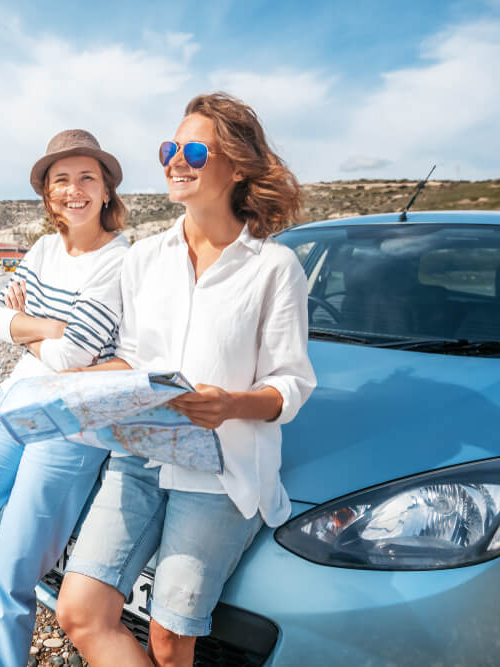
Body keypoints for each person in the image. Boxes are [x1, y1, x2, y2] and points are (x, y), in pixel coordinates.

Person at [55, 93, 317, 667]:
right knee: (79, 611)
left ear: (239, 165)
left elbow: (291, 386)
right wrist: (77, 387)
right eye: (170, 148)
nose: (176, 160)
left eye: (194, 150)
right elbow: (130, 356)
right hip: (139, 456)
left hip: (221, 473)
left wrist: (229, 405)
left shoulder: (274, 268)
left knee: (172, 644)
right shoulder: (143, 259)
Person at [0, 129, 131, 666]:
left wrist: (28, 325)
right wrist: (48, 327)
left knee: (12, 570)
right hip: (12, 405)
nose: (74, 190)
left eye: (88, 177)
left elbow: (75, 356)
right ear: (48, 194)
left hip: (72, 423)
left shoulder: (119, 260)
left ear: (107, 190)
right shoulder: (42, 248)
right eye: (62, 180)